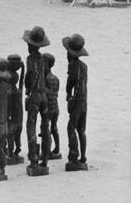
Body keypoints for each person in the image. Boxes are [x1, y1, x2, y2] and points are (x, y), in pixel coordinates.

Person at [23, 26, 51, 175]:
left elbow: (29, 77)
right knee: (45, 126)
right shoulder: (44, 59)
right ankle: (45, 158)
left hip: (34, 96)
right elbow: (45, 76)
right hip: (44, 96)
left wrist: (27, 89)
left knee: (31, 125)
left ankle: (34, 159)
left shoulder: (30, 59)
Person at [62, 34, 89, 171]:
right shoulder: (84, 66)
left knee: (71, 127)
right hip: (84, 101)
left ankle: (74, 156)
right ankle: (83, 156)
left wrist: (68, 95)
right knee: (81, 129)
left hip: (77, 101)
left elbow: (70, 84)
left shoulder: (73, 66)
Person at [43, 53, 61, 159]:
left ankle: (48, 150)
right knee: (54, 128)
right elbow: (56, 91)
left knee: (46, 129)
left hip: (48, 107)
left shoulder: (44, 79)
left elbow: (46, 93)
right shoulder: (56, 78)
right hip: (55, 107)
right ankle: (57, 147)